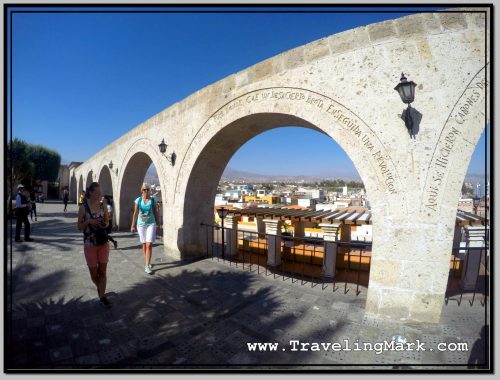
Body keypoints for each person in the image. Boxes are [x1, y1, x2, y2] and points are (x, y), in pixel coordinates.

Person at [77, 182, 112, 308]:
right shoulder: (83, 208)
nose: (99, 195)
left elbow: (107, 222)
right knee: (93, 273)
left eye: (100, 193)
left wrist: (104, 224)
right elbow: (79, 226)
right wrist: (88, 221)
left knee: (102, 272)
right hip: (90, 244)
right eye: (96, 193)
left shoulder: (103, 206)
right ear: (90, 192)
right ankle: (100, 288)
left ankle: (102, 296)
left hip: (103, 242)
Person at [131, 183, 159, 274]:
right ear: (141, 191)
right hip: (141, 224)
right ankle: (147, 261)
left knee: (149, 244)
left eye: (147, 189)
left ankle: (147, 266)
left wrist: (159, 223)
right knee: (144, 244)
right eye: (144, 190)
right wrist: (132, 225)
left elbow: (155, 212)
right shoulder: (138, 200)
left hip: (151, 223)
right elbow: (135, 213)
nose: (146, 191)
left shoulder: (152, 200)